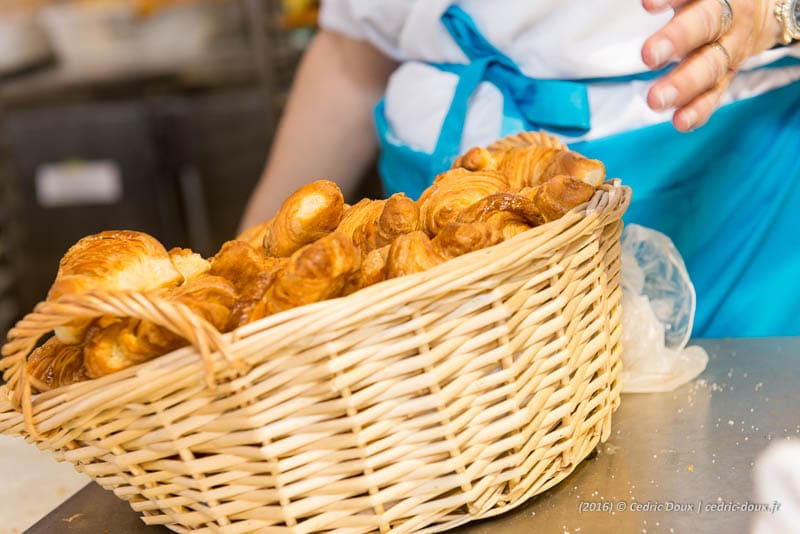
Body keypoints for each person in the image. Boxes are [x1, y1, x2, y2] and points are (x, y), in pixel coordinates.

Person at [241, 0, 800, 338]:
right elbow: (354, 54)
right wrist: (249, 273)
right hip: (423, 223)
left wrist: (778, 14)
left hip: (718, 204)